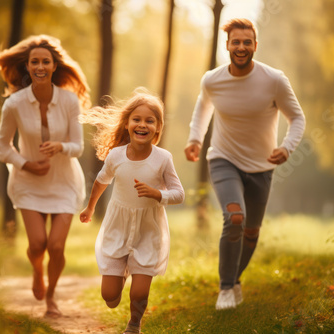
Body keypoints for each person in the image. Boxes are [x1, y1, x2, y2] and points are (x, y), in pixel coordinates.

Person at [184, 18, 305, 310]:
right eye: (235, 42)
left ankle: (234, 279)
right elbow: (203, 107)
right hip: (223, 158)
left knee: (251, 232)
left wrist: (287, 148)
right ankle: (225, 288)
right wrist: (195, 139)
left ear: (255, 45)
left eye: (246, 42)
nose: (241, 47)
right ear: (227, 45)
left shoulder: (274, 79)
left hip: (262, 166)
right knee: (234, 217)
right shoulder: (212, 79)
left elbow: (297, 118)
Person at [0, 35, 90, 317]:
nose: (40, 66)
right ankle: (38, 272)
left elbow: (78, 147)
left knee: (56, 246)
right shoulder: (14, 104)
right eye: (34, 61)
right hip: (28, 183)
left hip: (65, 183)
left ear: (54, 66)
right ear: (28, 66)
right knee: (37, 244)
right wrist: (25, 164)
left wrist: (60, 146)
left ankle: (51, 298)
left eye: (45, 61)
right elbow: (1, 146)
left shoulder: (70, 101)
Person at [79, 88, 184, 334]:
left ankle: (134, 325)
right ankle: (122, 273)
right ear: (127, 124)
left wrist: (159, 194)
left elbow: (179, 194)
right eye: (137, 119)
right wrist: (90, 207)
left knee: (139, 293)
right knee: (110, 296)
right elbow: (101, 181)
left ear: (158, 128)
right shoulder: (116, 156)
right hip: (118, 227)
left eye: (150, 121)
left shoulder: (163, 158)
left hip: (148, 231)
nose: (142, 125)